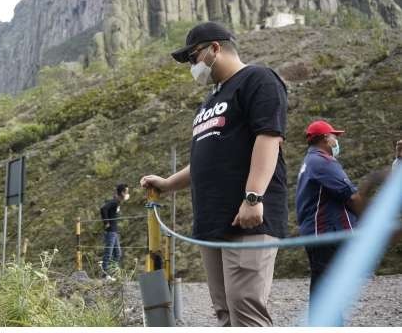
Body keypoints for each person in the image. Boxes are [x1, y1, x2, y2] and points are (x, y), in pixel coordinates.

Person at [140, 21, 288, 327]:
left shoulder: (258, 79)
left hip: (248, 219)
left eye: (193, 58)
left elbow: (269, 137)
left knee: (246, 309)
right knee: (225, 313)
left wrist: (253, 196)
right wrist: (167, 184)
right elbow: (206, 160)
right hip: (213, 222)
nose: (192, 67)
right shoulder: (209, 102)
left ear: (214, 49)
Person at [295, 120, 382, 319]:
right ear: (325, 138)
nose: (336, 141)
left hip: (319, 233)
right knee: (329, 285)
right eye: (335, 137)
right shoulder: (322, 162)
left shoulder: (310, 161)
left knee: (323, 284)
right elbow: (351, 197)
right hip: (327, 233)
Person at [100, 183, 129, 281]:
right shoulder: (115, 201)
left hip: (114, 232)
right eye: (126, 192)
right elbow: (103, 208)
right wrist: (106, 223)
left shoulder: (117, 202)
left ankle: (111, 273)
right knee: (108, 253)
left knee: (117, 254)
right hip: (110, 232)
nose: (127, 194)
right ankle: (105, 275)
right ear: (122, 192)